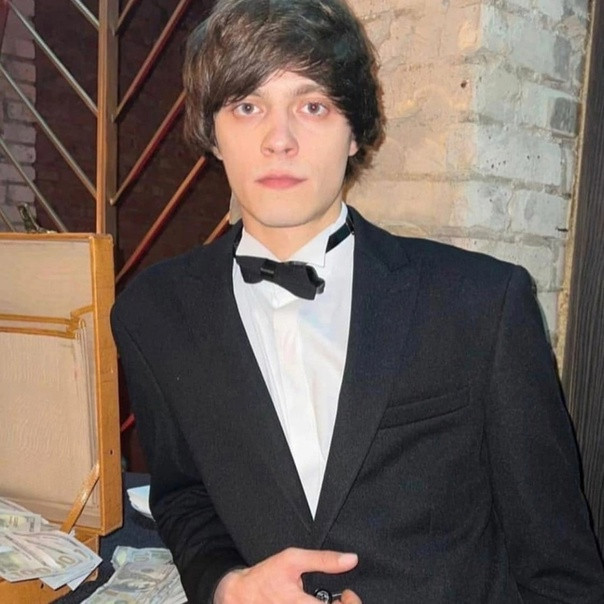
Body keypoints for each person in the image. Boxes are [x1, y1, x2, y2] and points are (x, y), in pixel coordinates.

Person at [110, 0, 604, 602]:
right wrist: (227, 586)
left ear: (354, 132)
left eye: (312, 106)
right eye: (247, 106)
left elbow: (561, 573)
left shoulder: (482, 304)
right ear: (213, 133)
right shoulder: (152, 313)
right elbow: (184, 493)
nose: (279, 140)